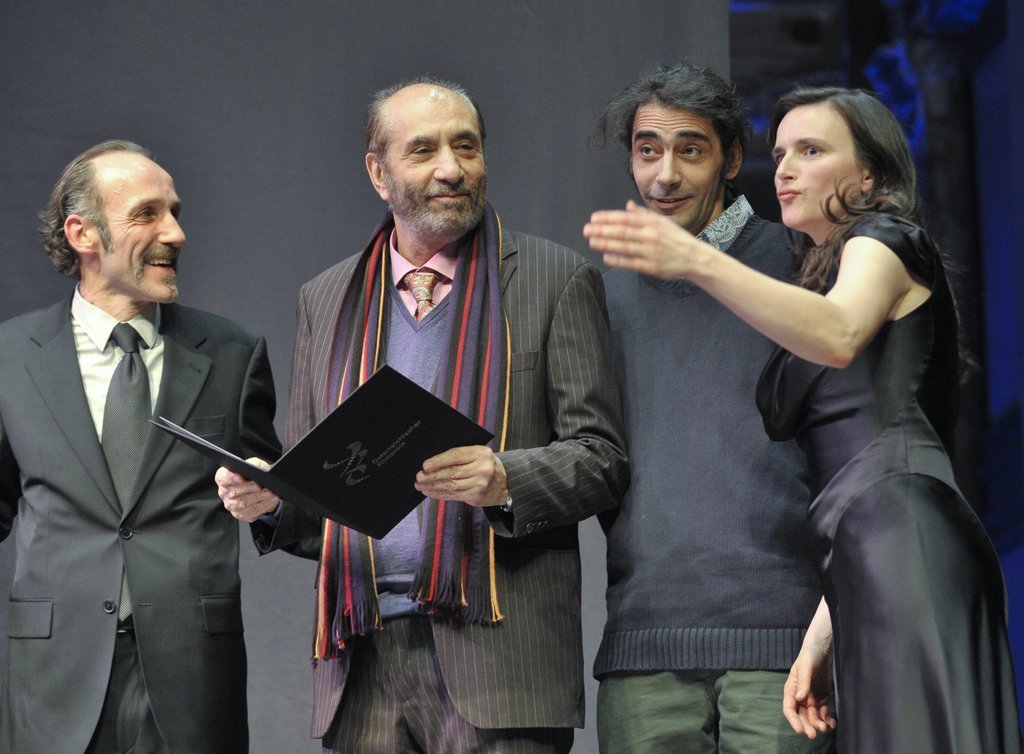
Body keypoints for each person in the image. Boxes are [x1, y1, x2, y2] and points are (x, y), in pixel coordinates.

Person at [585, 86, 1022, 752]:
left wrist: (697, 259)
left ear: (869, 174)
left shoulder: (885, 237)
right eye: (783, 152)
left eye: (811, 151)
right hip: (861, 555)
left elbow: (840, 336)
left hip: (902, 538)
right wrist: (823, 631)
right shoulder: (824, 276)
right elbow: (851, 462)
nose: (786, 169)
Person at [217, 77, 628, 754]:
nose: (451, 168)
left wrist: (505, 478)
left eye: (466, 146)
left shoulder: (554, 279)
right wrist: (270, 500)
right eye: (423, 150)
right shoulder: (327, 298)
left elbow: (602, 459)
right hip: (362, 655)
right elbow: (320, 495)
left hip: (501, 656)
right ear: (378, 173)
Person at [0, 141, 280, 753]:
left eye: (175, 212)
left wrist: (270, 500)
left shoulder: (232, 353)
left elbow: (283, 496)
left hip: (192, 676)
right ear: (83, 234)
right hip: (55, 677)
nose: (175, 233)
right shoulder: (10, 358)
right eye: (147, 214)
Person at [589, 62, 831, 754]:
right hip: (644, 643)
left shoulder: (802, 265)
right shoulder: (606, 293)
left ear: (730, 159)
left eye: (690, 150)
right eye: (647, 150)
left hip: (783, 641)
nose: (665, 175)